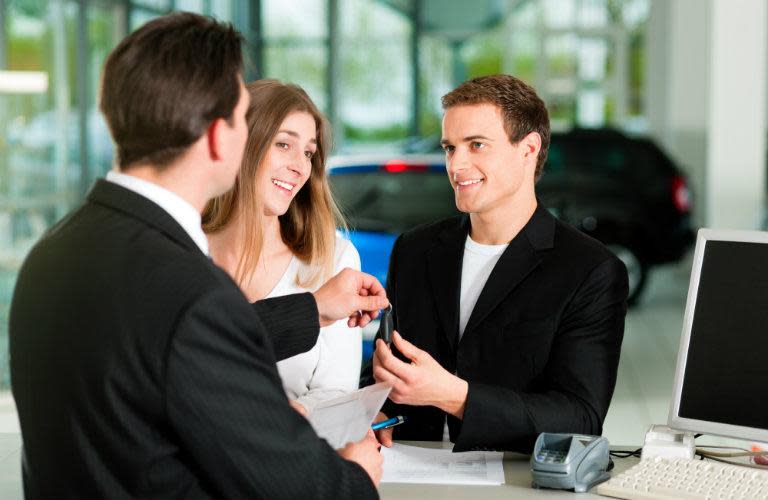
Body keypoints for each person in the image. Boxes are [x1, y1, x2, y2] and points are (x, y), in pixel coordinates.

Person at [10, 13, 388, 499]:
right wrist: (357, 475)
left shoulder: (52, 255)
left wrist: (311, 308)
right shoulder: (194, 293)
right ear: (218, 136)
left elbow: (159, 349)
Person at [363, 74, 628, 453]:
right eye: (450, 148)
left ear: (529, 149)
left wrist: (455, 396)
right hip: (404, 466)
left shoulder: (590, 270)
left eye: (477, 145)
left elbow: (580, 418)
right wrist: (371, 407)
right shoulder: (415, 250)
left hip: (514, 480)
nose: (457, 165)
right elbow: (387, 365)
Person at [204, 80, 362, 414]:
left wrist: (285, 421)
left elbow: (336, 392)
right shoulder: (182, 251)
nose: (300, 165)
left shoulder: (332, 259)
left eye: (308, 152)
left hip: (292, 456)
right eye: (283, 144)